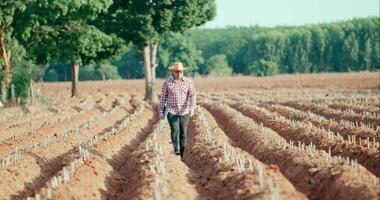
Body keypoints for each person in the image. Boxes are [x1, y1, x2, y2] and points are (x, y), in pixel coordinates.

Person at [159, 62, 196, 158]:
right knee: (175, 130)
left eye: (180, 72)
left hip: (184, 111)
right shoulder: (167, 83)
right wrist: (161, 111)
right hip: (171, 111)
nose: (179, 73)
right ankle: (177, 151)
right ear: (173, 72)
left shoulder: (188, 82)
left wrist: (192, 108)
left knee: (183, 133)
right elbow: (163, 98)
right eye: (176, 72)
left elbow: (192, 95)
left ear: (182, 72)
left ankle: (182, 153)